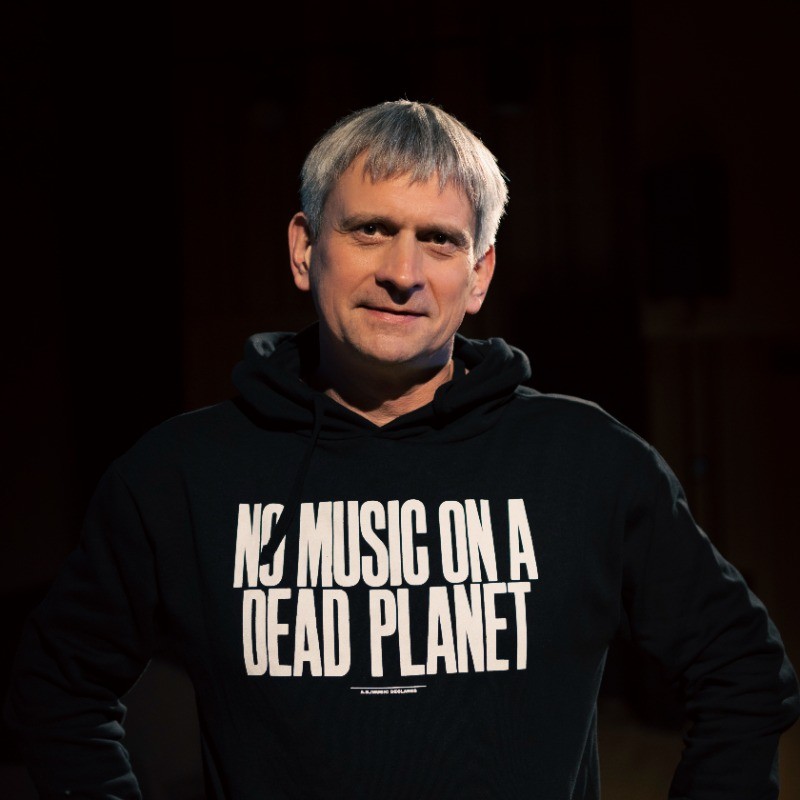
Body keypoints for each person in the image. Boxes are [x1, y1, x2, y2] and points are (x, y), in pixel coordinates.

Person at [5, 99, 799, 799]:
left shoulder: (588, 463)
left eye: (440, 241)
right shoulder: (180, 475)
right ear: (304, 248)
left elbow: (744, 671)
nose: (403, 273)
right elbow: (56, 685)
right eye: (371, 230)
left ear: (479, 274)